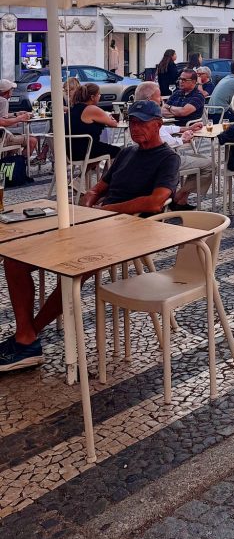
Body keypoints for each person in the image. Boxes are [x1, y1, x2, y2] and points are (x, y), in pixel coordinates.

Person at [0, 100, 180, 373]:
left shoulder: (168, 158)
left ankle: (28, 335)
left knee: (74, 268)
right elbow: (100, 186)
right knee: (14, 260)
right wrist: (91, 198)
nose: (135, 128)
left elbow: (155, 202)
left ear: (158, 125)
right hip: (98, 221)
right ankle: (27, 334)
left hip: (132, 229)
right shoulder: (127, 153)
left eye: (142, 123)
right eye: (132, 123)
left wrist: (108, 209)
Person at [134, 81, 212, 209]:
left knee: (197, 158)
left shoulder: (138, 113)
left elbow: (163, 129)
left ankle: (179, 198)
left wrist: (183, 129)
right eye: (159, 96)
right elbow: (164, 142)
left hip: (145, 158)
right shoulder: (152, 115)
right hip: (163, 161)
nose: (161, 100)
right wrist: (182, 139)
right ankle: (178, 198)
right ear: (149, 99)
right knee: (209, 164)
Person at [64, 83, 122, 161]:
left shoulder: (73, 108)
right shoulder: (92, 109)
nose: (100, 96)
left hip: (69, 150)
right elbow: (114, 124)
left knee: (102, 148)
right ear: (92, 97)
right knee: (119, 152)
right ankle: (108, 173)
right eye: (98, 94)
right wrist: (111, 118)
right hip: (84, 151)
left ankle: (83, 173)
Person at [0, 79, 37, 159]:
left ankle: (9, 163)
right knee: (32, 140)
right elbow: (2, 122)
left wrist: (16, 114)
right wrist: (19, 119)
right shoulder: (3, 101)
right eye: (11, 89)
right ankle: (20, 164)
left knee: (17, 142)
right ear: (7, 91)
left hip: (3, 136)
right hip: (1, 137)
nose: (12, 91)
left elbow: (2, 116)